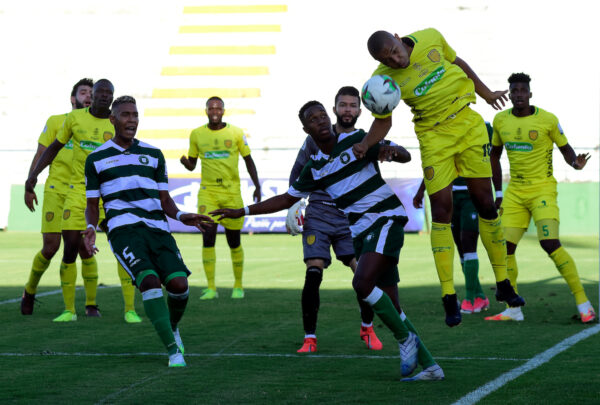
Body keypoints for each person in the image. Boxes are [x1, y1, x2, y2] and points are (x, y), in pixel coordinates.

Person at [212, 101, 444, 381]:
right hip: (360, 231)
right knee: (392, 305)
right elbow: (287, 198)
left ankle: (404, 339)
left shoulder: (357, 140)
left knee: (361, 283)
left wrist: (391, 152)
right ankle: (431, 366)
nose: (320, 120)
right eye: (313, 119)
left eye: (323, 115)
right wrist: (242, 211)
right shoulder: (315, 167)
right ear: (305, 129)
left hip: (384, 219)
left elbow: (404, 156)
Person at [355, 28, 524, 327]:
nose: (395, 60)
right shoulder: (382, 79)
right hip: (434, 137)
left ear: (398, 37)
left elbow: (458, 62)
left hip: (468, 125)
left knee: (486, 203)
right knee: (443, 211)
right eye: (388, 59)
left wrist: (486, 94)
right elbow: (383, 120)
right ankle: (449, 295)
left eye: (395, 51)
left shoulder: (431, 37)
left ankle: (503, 283)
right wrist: (367, 144)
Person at [82, 96, 212, 367]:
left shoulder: (154, 154)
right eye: (126, 115)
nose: (132, 120)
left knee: (179, 285)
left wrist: (181, 215)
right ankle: (173, 351)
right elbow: (92, 204)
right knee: (149, 281)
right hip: (123, 231)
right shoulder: (96, 159)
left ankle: (173, 326)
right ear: (113, 119)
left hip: (157, 230)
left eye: (135, 115)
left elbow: (165, 201)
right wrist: (91, 228)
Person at [25, 79, 140, 323]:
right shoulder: (71, 120)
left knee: (123, 247)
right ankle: (69, 310)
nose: (102, 97)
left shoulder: (115, 121)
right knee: (68, 248)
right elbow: (53, 147)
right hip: (77, 192)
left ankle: (129, 309)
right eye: (99, 93)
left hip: (110, 194)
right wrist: (33, 176)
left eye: (108, 94)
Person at [487, 72, 595, 323]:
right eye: (514, 91)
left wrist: (575, 164)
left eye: (523, 90)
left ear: (530, 93)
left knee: (550, 243)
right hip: (515, 192)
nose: (518, 95)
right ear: (510, 94)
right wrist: (499, 193)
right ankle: (513, 308)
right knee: (505, 249)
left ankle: (583, 302)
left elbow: (566, 149)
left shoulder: (547, 119)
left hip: (542, 190)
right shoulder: (500, 120)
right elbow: (494, 155)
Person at [289, 86, 381, 353]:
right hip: (318, 213)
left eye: (353, 105)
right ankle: (310, 338)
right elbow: (296, 175)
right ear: (335, 110)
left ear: (359, 110)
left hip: (350, 216)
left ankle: (367, 328)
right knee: (313, 272)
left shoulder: (364, 140)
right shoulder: (313, 141)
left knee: (362, 272)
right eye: (343, 105)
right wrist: (295, 204)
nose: (348, 110)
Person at [21, 78, 93, 315]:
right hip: (56, 190)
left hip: (81, 193)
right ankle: (30, 291)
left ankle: (90, 305)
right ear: (73, 99)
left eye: (91, 93)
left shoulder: (98, 125)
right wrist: (30, 184)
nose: (88, 96)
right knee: (50, 248)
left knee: (83, 247)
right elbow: (42, 153)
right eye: (83, 92)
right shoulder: (55, 121)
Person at [180, 96, 261, 300]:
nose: (214, 111)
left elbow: (248, 160)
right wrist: (184, 163)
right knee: (208, 239)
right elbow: (192, 164)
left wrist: (257, 185)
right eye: (211, 108)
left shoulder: (235, 133)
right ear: (206, 111)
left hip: (231, 192)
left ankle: (238, 285)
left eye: (218, 108)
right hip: (208, 192)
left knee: (234, 241)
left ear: (223, 111)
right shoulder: (197, 134)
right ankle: (211, 288)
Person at [412, 122, 494, 314]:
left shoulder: (483, 127)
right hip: (451, 196)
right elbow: (437, 164)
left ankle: (470, 298)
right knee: (459, 247)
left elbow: (494, 153)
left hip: (473, 195)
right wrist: (420, 191)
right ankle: (480, 296)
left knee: (468, 243)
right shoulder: (443, 128)